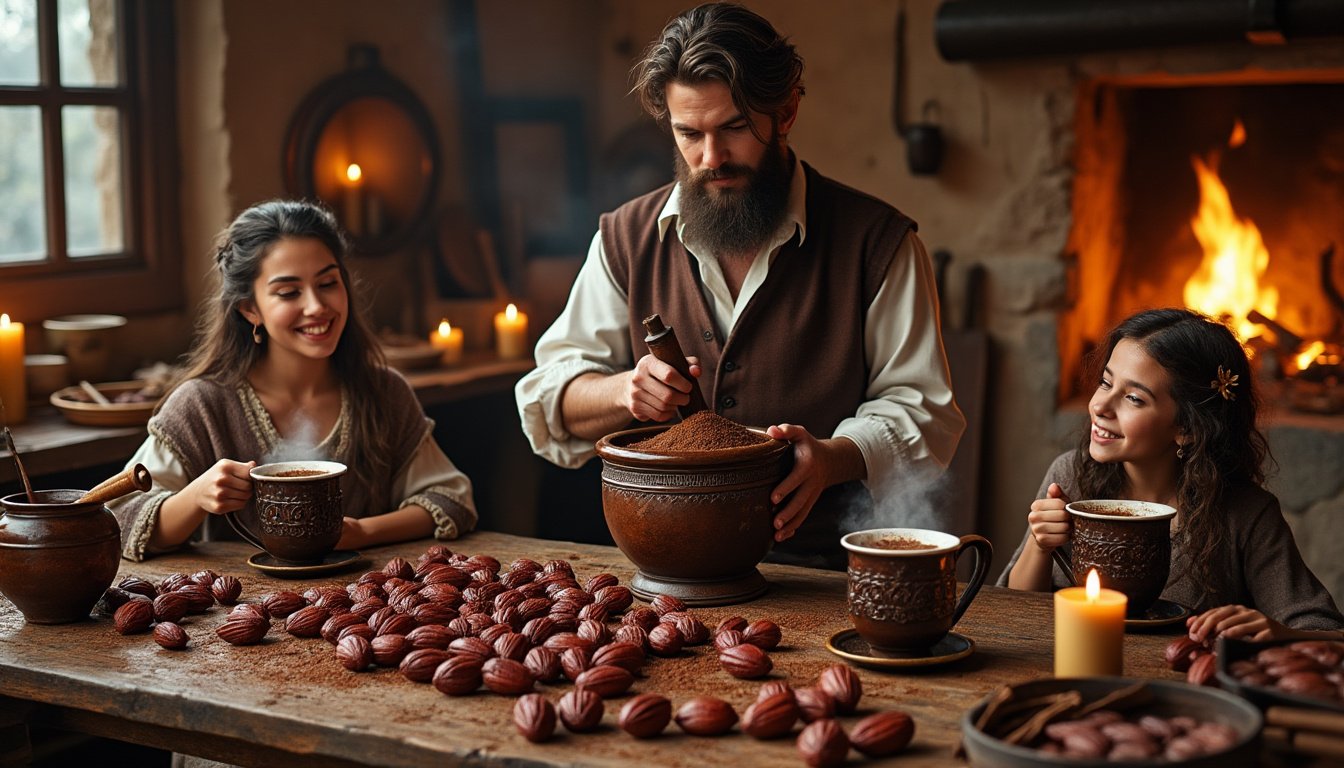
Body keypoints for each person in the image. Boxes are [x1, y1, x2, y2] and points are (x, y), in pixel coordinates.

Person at [515, 2, 963, 568]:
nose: (712, 158)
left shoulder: (877, 243)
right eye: (688, 133)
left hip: (820, 575)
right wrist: (624, 390)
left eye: (734, 127)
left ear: (787, 110)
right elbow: (548, 396)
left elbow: (923, 408)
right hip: (661, 575)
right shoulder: (626, 238)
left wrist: (835, 456)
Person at [110, 200, 476, 561]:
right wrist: (196, 497)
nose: (317, 306)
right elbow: (121, 520)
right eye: (288, 292)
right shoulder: (203, 404)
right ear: (249, 308)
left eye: (328, 283)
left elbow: (452, 500)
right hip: (244, 614)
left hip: (366, 610)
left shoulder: (383, 391)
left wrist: (363, 532)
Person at [1000, 308, 1343, 641]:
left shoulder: (1244, 514)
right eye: (1105, 383)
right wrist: (1039, 542)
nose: (1100, 406)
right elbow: (1012, 606)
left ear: (1188, 427)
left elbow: (1326, 630)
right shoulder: (1070, 475)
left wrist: (1279, 633)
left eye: (1133, 398)